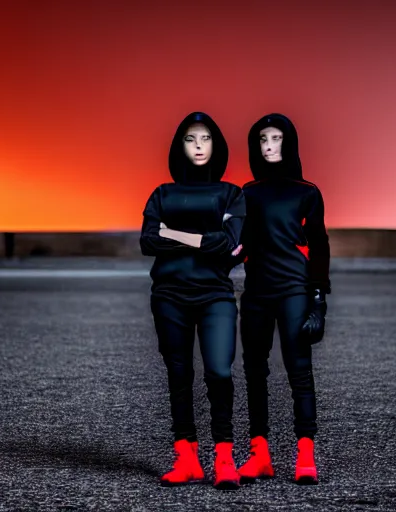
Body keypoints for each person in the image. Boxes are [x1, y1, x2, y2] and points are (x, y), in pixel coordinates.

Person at [140, 112, 245, 490]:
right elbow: (147, 242)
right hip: (169, 295)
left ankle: (224, 458)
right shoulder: (162, 193)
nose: (198, 146)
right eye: (190, 139)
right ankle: (186, 459)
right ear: (179, 146)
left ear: (216, 145)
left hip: (215, 295)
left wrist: (175, 233)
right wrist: (207, 238)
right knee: (179, 376)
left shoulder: (232, 194)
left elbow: (228, 245)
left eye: (205, 138)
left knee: (219, 371)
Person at [233, 113, 331, 485]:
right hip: (257, 291)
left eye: (276, 138)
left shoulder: (307, 192)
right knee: (254, 373)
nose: (269, 145)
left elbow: (319, 246)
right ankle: (260, 455)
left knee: (299, 371)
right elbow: (239, 244)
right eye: (262, 139)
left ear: (289, 142)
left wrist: (318, 302)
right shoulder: (248, 192)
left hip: (294, 290)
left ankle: (305, 454)